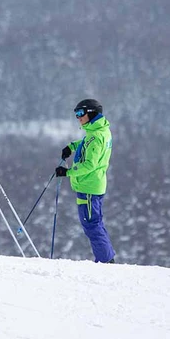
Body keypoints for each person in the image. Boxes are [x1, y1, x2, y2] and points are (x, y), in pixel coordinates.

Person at [56, 98, 116, 263]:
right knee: (94, 223)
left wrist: (67, 172)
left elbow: (90, 164)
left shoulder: (97, 136)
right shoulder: (97, 131)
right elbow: (85, 143)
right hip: (89, 185)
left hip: (89, 187)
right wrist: (72, 147)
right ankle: (107, 258)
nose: (78, 117)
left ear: (91, 113)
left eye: (81, 113)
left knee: (91, 225)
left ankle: (105, 261)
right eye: (76, 114)